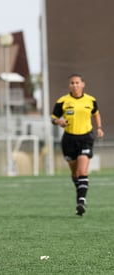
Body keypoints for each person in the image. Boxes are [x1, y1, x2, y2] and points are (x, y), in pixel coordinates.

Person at [51, 73, 103, 216]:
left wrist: (99, 128)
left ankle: (81, 200)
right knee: (75, 173)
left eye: (77, 82)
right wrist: (59, 122)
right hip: (69, 140)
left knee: (82, 171)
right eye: (72, 83)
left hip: (86, 137)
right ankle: (79, 192)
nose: (75, 85)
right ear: (69, 85)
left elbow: (96, 113)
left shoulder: (91, 100)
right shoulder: (63, 101)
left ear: (83, 84)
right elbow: (53, 118)